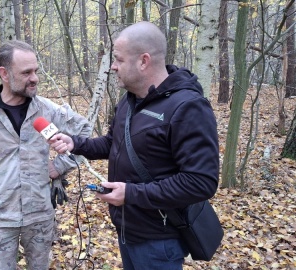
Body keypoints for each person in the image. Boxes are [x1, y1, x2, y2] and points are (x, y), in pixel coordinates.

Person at [49, 21, 219, 269]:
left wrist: (130, 194)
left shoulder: (188, 107)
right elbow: (113, 144)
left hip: (160, 240)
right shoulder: (129, 101)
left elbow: (200, 181)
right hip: (127, 229)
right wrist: (75, 143)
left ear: (143, 61)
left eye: (118, 59)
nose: (113, 67)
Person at [0, 40, 91, 270]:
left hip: (39, 214)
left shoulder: (47, 111)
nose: (35, 78)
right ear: (4, 74)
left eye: (36, 71)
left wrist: (60, 165)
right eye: (26, 72)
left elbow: (84, 135)